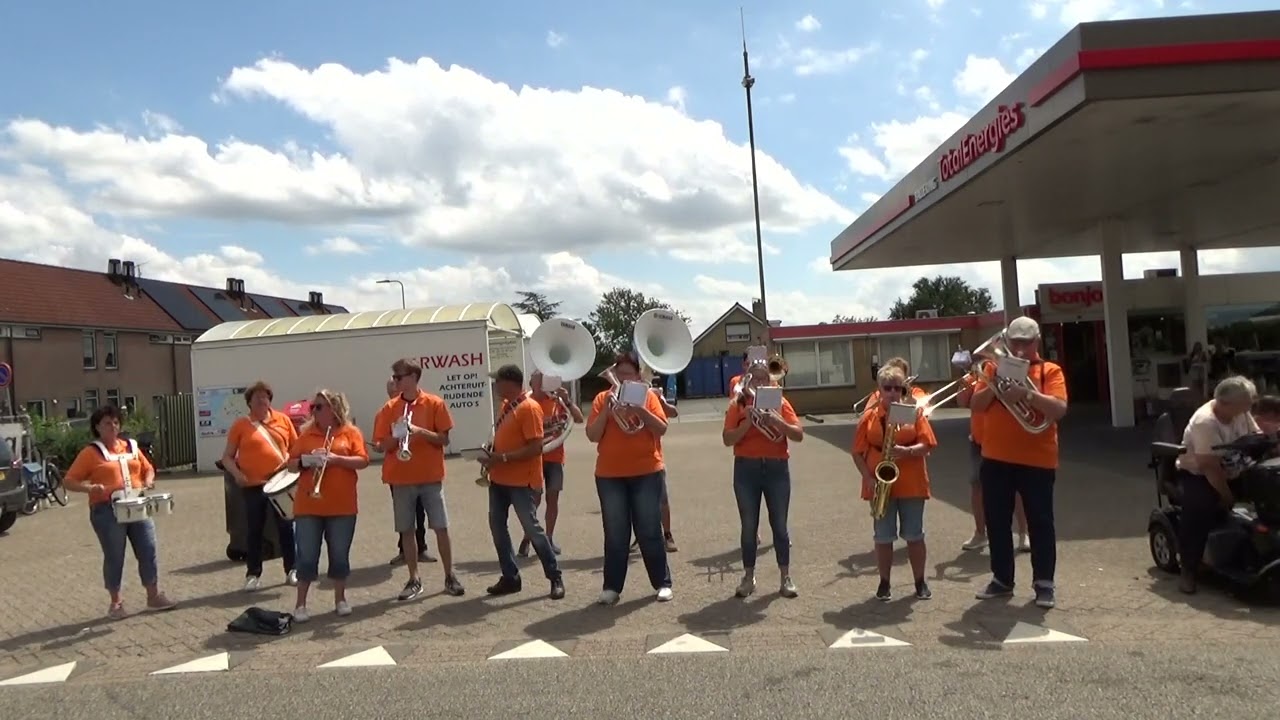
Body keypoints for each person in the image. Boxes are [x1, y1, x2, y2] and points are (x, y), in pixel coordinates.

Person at [969, 316, 1069, 609]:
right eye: (1015, 342)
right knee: (997, 522)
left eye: (1026, 342)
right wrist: (996, 386)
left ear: (1037, 341)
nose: (1021, 349)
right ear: (1007, 341)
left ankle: (1044, 584)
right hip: (996, 458)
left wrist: (1025, 393)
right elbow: (974, 405)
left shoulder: (1049, 371)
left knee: (1041, 523)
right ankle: (1002, 580)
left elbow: (1060, 409)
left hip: (1038, 461)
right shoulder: (991, 367)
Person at [64, 405, 178, 619]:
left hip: (137, 505)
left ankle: (153, 596)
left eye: (116, 422)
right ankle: (116, 602)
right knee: (115, 555)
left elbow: (148, 468)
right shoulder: (91, 452)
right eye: (107, 423)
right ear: (97, 427)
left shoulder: (131, 447)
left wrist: (148, 480)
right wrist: (90, 488)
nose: (113, 426)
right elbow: (69, 480)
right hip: (107, 510)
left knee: (148, 548)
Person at [586, 352, 673, 605]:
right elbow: (592, 435)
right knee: (615, 533)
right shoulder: (603, 399)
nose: (622, 378)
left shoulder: (647, 395)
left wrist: (640, 411)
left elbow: (662, 428)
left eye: (628, 374)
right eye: (619, 373)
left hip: (646, 471)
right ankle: (612, 587)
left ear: (637, 376)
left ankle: (662, 583)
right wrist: (608, 414)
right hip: (609, 475)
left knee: (649, 530)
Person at [373, 359, 464, 601]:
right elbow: (381, 446)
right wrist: (397, 435)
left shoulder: (435, 403)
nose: (395, 381)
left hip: (430, 477)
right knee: (407, 529)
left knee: (440, 527)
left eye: (399, 377)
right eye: (394, 377)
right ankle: (414, 579)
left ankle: (449, 575)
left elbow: (444, 440)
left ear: (413, 376)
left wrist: (418, 431)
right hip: (401, 478)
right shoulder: (389, 408)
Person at [852, 365, 938, 601]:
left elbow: (928, 444)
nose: (892, 393)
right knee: (882, 537)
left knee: (914, 535)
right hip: (880, 484)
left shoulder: (914, 412)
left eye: (896, 388)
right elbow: (857, 452)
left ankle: (920, 582)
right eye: (887, 388)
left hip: (911, 482)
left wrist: (907, 451)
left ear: (903, 389)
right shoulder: (869, 416)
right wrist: (867, 477)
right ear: (879, 390)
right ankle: (884, 583)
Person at [479, 364, 565, 599]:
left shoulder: (529, 408)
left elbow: (536, 447)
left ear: (510, 383)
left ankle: (555, 576)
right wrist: (491, 453)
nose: (495, 385)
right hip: (499, 480)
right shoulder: (507, 406)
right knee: (498, 528)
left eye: (498, 381)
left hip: (521, 482)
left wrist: (503, 457)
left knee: (532, 530)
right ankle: (510, 577)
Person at [722, 359, 804, 599]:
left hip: (777, 469)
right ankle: (748, 577)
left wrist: (777, 421)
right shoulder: (737, 405)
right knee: (749, 526)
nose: (759, 382)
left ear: (770, 382)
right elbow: (727, 439)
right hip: (746, 470)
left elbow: (798, 434)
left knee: (779, 525)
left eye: (763, 378)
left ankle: (785, 577)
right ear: (747, 380)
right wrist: (748, 422)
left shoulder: (780, 402)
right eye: (754, 378)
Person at [286, 389, 370, 621]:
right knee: (306, 556)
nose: (315, 411)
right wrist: (306, 460)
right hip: (308, 507)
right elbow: (290, 464)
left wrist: (336, 460)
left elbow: (363, 460)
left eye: (320, 407)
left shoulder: (350, 432)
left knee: (340, 555)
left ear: (334, 409)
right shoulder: (305, 435)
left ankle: (340, 599)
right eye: (314, 407)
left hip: (342, 506)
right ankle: (301, 605)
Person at [1174, 376, 1261, 594]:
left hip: (1236, 467)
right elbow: (1209, 467)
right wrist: (1227, 496)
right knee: (1200, 509)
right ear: (1225, 403)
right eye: (1244, 406)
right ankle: (1189, 569)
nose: (1247, 410)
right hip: (1201, 474)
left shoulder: (1240, 411)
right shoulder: (1206, 422)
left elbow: (1256, 435)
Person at [220, 381, 299, 592]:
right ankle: (253, 574)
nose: (262, 400)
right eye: (257, 397)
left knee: (286, 528)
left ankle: (292, 569)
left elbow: (296, 448)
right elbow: (227, 457)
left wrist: (294, 470)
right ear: (249, 403)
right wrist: (237, 474)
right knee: (254, 530)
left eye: (265, 397)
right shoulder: (241, 425)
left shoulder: (283, 420)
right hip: (253, 486)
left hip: (280, 484)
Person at [958, 380, 1031, 553]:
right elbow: (963, 402)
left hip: (1004, 440)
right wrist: (963, 383)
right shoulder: (975, 378)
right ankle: (980, 533)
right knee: (977, 485)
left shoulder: (1008, 375)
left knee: (1016, 487)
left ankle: (1023, 533)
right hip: (979, 439)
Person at [519, 371, 584, 557]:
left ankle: (548, 538)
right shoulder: (526, 403)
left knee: (552, 499)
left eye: (543, 380)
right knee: (534, 501)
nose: (540, 384)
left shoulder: (557, 402)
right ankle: (527, 537)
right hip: (534, 458)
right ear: (531, 383)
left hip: (555, 457)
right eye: (537, 380)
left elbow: (578, 419)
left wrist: (568, 401)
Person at [383, 378, 433, 566]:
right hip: (397, 470)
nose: (395, 394)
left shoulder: (417, 408)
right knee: (402, 512)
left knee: (420, 510)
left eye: (397, 390)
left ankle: (422, 547)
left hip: (418, 468)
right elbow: (383, 441)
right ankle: (404, 550)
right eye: (392, 392)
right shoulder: (388, 410)